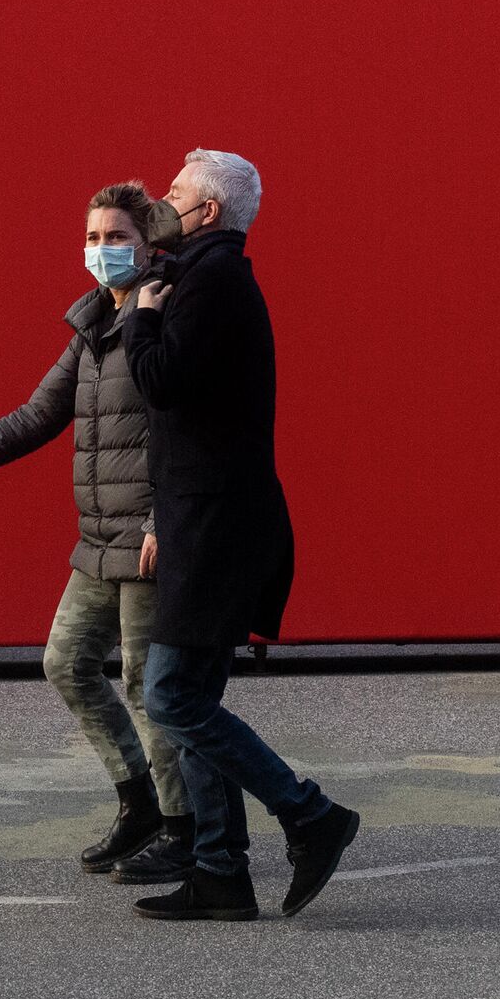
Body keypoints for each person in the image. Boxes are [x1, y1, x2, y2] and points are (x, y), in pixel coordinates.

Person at [0, 182, 192, 884]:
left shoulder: (162, 318)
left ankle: (184, 827)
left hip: (148, 539)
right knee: (65, 664)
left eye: (117, 238)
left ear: (147, 242)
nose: (102, 251)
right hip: (98, 537)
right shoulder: (95, 326)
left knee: (143, 684)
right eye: (93, 238)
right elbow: (34, 418)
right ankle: (140, 803)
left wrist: (162, 519)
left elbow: (188, 431)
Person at [124, 149, 357, 920]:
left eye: (174, 192)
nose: (161, 200)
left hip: (218, 525)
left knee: (172, 698)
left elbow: (160, 380)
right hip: (209, 519)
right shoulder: (203, 275)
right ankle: (221, 871)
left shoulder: (212, 281)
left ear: (208, 212)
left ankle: (311, 815)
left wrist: (143, 316)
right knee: (192, 696)